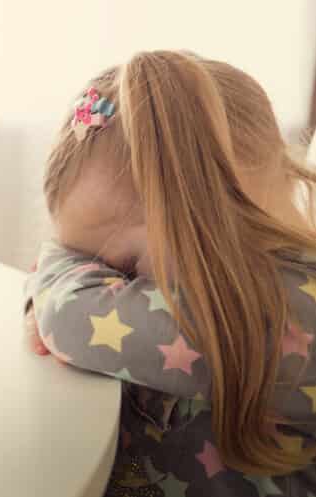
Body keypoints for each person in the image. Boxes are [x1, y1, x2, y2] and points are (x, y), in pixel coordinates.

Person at [24, 50, 316, 496]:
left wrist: (50, 281)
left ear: (206, 221)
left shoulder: (285, 312)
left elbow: (68, 315)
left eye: (120, 268)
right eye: (92, 266)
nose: (107, 288)